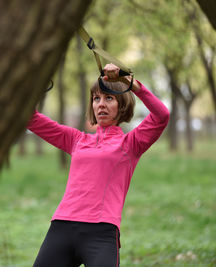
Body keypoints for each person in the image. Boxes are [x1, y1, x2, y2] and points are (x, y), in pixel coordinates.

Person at [28, 63, 170, 267]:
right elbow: (30, 119)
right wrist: (34, 85)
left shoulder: (130, 144)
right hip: (62, 227)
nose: (101, 104)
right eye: (96, 99)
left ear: (122, 105)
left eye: (108, 98)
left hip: (101, 232)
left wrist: (130, 83)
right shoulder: (76, 139)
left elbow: (161, 116)